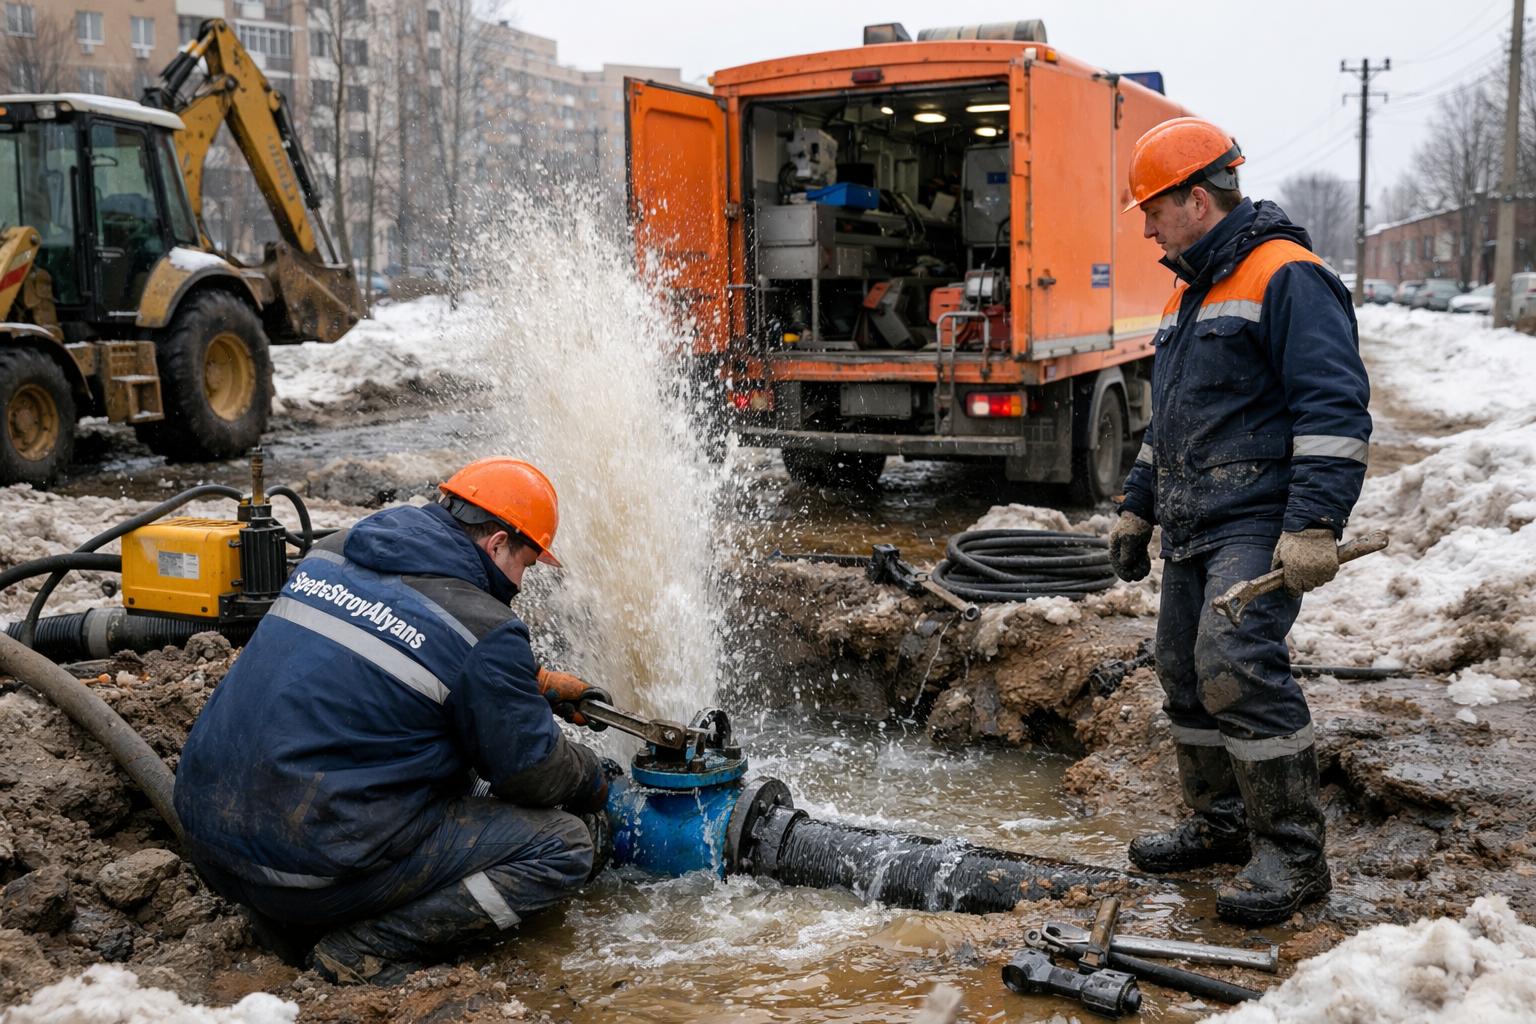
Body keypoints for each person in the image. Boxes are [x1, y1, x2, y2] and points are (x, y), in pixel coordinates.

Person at [174, 457, 615, 984]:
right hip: (307, 872)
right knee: (561, 845)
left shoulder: (333, 553)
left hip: (209, 843)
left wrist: (531, 681)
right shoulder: (485, 631)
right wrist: (593, 781)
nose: (522, 582)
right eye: (527, 563)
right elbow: (532, 774)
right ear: (497, 543)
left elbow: (394, 643)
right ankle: (366, 948)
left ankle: (300, 908)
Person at [1107, 118, 1371, 926]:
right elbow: (1173, 420)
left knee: (1237, 662)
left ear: (1196, 197)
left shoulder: (1287, 275)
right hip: (1195, 518)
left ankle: (1292, 855)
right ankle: (1220, 824)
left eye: (1153, 208)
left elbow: (1333, 406)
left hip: (1258, 518)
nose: (1146, 226)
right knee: (1183, 668)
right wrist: (1135, 506)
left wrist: (1316, 521)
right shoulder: (1193, 288)